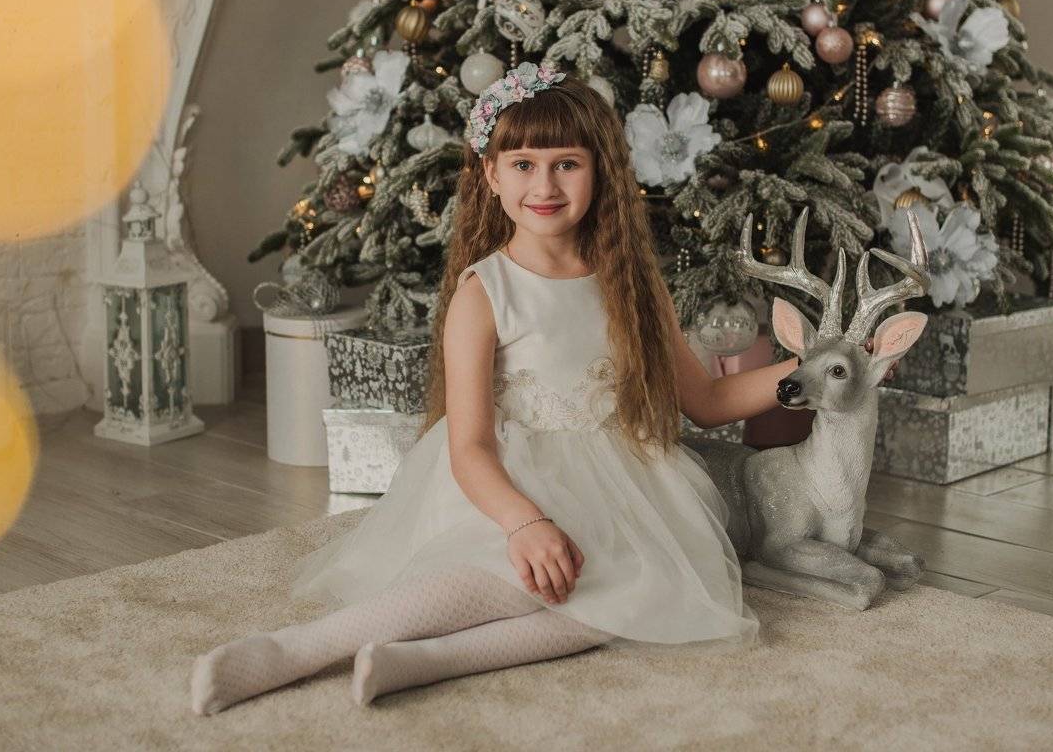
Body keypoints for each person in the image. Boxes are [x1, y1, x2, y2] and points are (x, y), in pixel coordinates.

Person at [191, 63, 884, 714]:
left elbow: (706, 401)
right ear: (490, 175)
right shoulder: (485, 292)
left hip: (621, 484)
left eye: (566, 164)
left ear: (599, 171)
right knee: (510, 576)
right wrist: (526, 523)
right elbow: (467, 445)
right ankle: (298, 649)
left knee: (638, 595)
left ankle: (426, 661)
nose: (544, 185)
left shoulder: (634, 285)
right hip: (506, 483)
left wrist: (823, 368)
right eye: (523, 164)